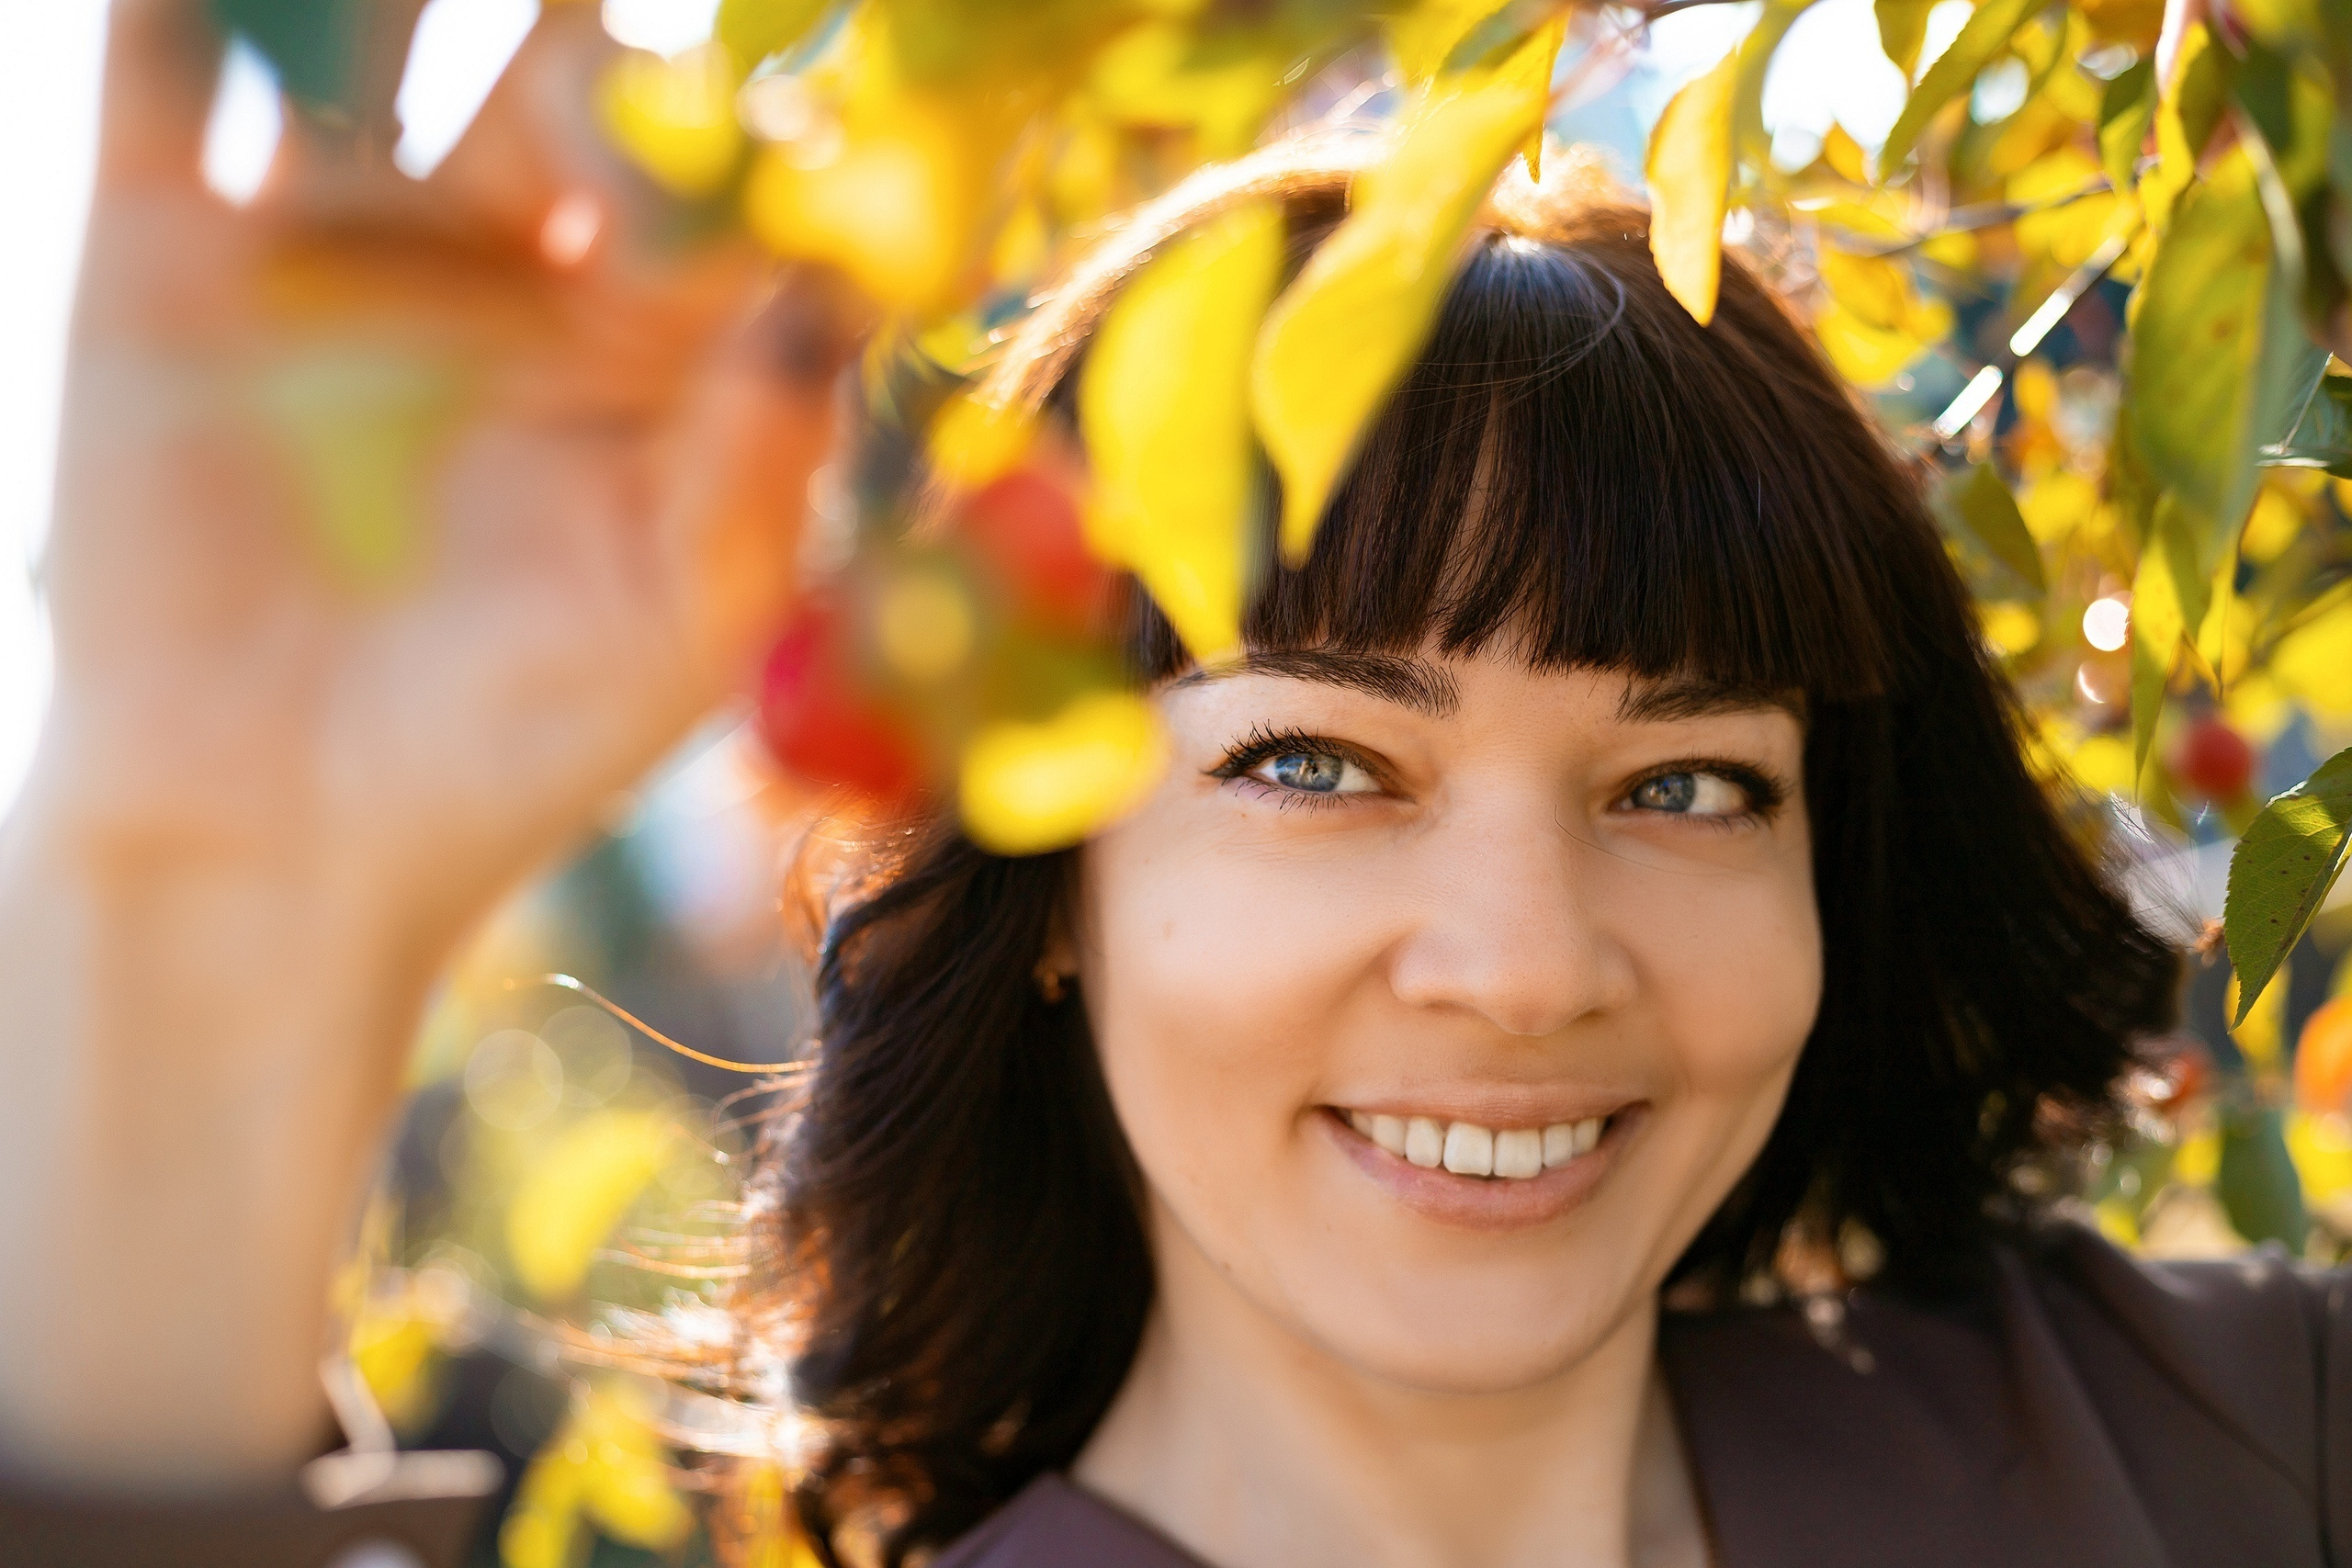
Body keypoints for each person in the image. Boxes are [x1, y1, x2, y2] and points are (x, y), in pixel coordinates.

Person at [3, 5, 2345, 1568]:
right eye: (1318, 757)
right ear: (1047, 887)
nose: (1526, 963)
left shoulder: (2218, 1449)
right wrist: (191, 887)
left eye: (1693, 783)